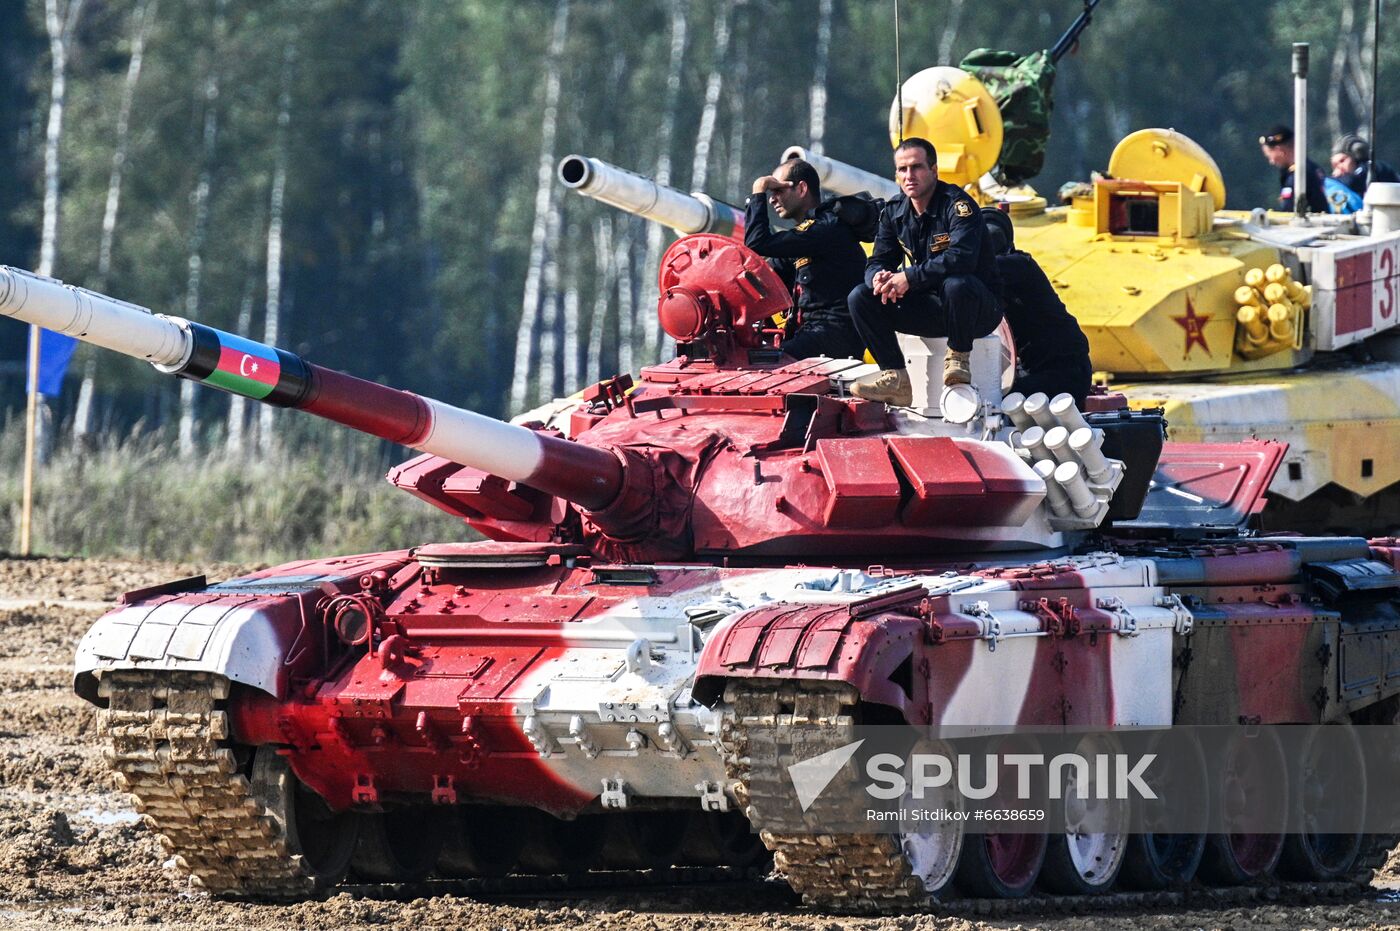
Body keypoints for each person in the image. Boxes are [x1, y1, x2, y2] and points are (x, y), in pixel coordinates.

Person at [845, 137, 1002, 406]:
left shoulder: (958, 206)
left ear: (934, 170)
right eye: (902, 170)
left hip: (974, 310)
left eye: (917, 167)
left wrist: (909, 277)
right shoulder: (894, 213)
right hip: (930, 307)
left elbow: (961, 259)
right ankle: (895, 377)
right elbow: (877, 260)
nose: (909, 176)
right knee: (860, 296)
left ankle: (959, 358)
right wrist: (880, 278)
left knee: (957, 283)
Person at [744, 159, 866, 361]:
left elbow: (757, 243)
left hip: (834, 334)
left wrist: (758, 191)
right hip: (813, 333)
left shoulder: (825, 228)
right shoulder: (805, 238)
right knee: (751, 356)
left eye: (778, 190)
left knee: (769, 365)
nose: (772, 199)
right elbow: (766, 276)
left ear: (801, 189)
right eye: (770, 192)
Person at [981, 208, 1092, 408]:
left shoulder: (1021, 267)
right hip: (1041, 370)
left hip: (1065, 372)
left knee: (994, 405)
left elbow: (978, 269)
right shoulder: (1001, 274)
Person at [1259, 125, 1327, 213]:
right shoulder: (1313, 168)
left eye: (1270, 157)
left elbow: (1290, 211)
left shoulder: (1299, 174)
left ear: (1279, 150)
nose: (1271, 162)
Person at [1331, 133, 1400, 196]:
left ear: (1357, 157)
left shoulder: (1374, 167)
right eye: (1335, 166)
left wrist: (1328, 182)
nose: (1338, 170)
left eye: (1342, 161)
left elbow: (1353, 181)